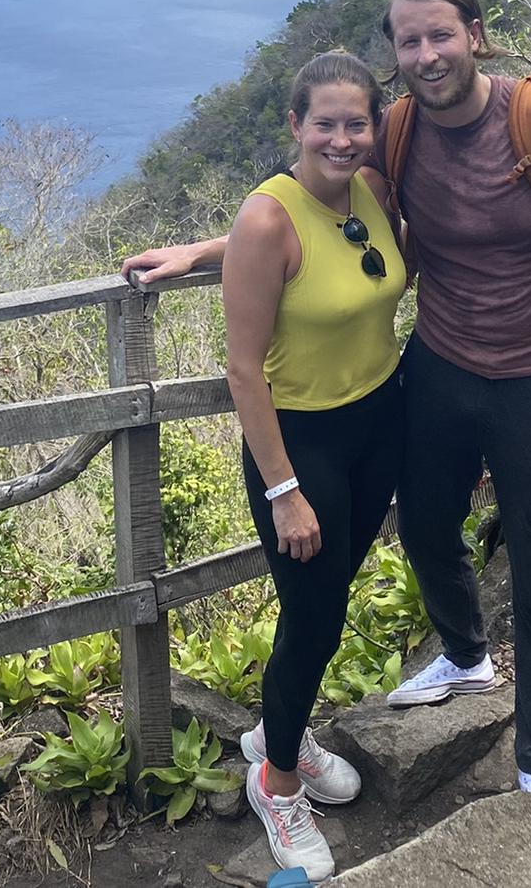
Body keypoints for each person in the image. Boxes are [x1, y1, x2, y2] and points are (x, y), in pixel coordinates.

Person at [123, 0, 531, 801]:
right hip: (436, 372)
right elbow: (311, 206)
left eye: (440, 35)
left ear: (475, 33)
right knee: (426, 527)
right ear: (393, 54)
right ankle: (466, 657)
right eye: (408, 40)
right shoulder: (395, 132)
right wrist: (205, 251)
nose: (427, 55)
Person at [217, 50, 406, 882]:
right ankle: (277, 779)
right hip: (301, 446)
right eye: (324, 123)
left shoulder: (374, 188)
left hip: (379, 425)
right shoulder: (268, 217)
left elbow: (339, 258)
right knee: (316, 619)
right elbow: (243, 369)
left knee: (328, 602)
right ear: (295, 124)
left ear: (374, 126)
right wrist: (286, 492)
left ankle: (275, 731)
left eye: (355, 123)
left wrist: (198, 251)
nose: (341, 138)